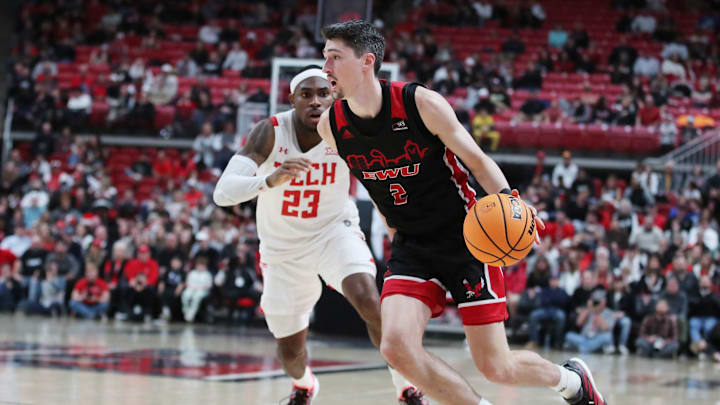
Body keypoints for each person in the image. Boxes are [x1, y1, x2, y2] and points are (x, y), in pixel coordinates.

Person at [317, 20, 606, 405]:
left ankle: (572, 382)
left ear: (367, 61)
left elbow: (476, 159)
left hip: (467, 236)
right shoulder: (331, 127)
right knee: (395, 346)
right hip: (412, 245)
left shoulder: (421, 104)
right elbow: (376, 187)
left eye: (335, 58)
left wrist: (512, 205)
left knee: (495, 366)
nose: (326, 69)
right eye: (325, 58)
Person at [213, 66, 424, 404]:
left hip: (333, 232)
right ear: (292, 99)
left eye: (323, 93)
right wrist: (268, 180)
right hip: (283, 249)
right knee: (290, 350)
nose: (315, 101)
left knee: (369, 298)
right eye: (306, 94)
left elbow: (382, 179)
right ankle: (304, 384)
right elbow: (222, 193)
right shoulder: (269, 132)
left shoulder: (350, 129)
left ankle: (406, 387)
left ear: (334, 96)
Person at [564, 290, 615, 354]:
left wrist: (597, 312)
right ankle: (591, 348)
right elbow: (578, 323)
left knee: (607, 337)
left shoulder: (609, 313)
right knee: (569, 335)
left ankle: (584, 348)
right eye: (595, 301)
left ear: (604, 302)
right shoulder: (588, 310)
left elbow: (604, 328)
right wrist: (588, 308)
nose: (596, 303)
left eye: (598, 301)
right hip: (584, 338)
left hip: (597, 338)